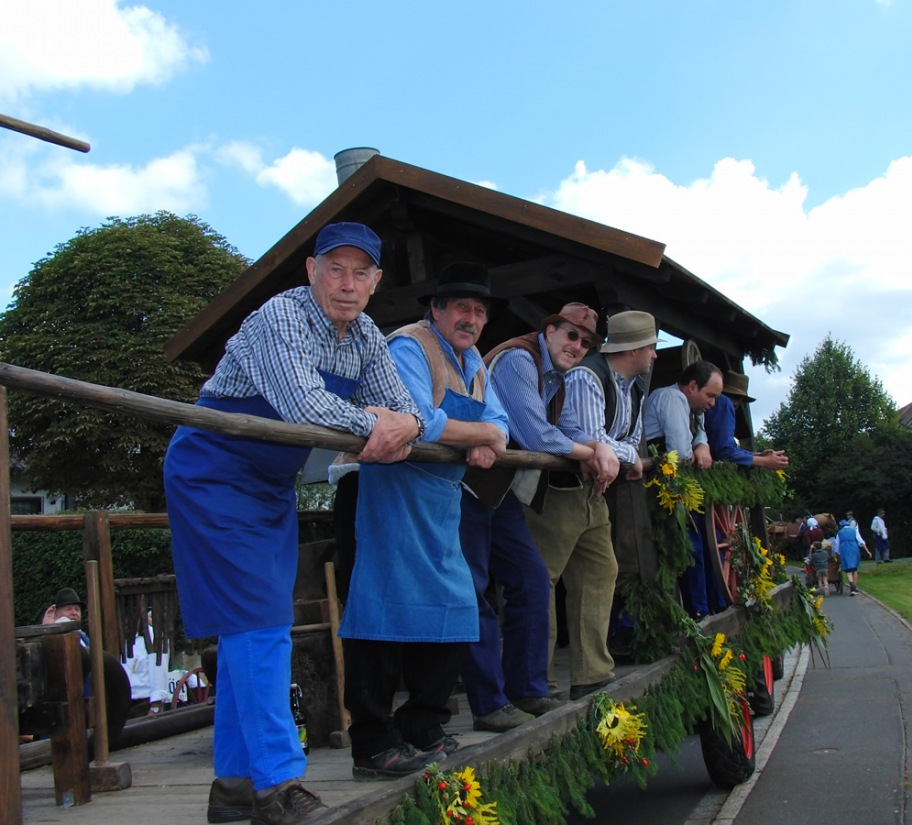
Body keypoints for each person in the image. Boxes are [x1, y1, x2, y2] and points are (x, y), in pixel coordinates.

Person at [163, 222, 423, 824]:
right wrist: (377, 424)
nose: (347, 283)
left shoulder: (366, 337)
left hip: (269, 486)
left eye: (361, 272)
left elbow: (408, 408)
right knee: (261, 623)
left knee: (247, 627)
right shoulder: (280, 317)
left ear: (376, 281)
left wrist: (404, 424)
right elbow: (303, 406)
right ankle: (278, 786)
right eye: (336, 268)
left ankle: (231, 788)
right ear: (312, 271)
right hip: (213, 472)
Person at [338, 261, 510, 777]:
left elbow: (500, 424)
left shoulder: (476, 362)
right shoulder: (408, 346)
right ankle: (371, 743)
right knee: (379, 615)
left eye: (479, 312)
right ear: (436, 311)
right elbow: (420, 419)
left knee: (457, 606)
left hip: (437, 501)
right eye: (461, 308)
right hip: (382, 492)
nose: (471, 319)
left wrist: (483, 435)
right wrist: (478, 436)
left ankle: (421, 725)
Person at [472, 302, 618, 701]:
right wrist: (592, 454)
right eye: (571, 335)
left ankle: (531, 690)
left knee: (529, 580)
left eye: (585, 342)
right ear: (550, 329)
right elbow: (537, 436)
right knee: (478, 591)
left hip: (495, 490)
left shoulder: (558, 375)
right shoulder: (519, 359)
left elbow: (565, 427)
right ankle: (500, 697)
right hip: (465, 485)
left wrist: (596, 445)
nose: (577, 345)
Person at [557, 310, 659, 670]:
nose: (655, 355)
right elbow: (590, 436)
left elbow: (628, 440)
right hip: (559, 490)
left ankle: (592, 672)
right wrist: (627, 455)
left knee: (601, 573)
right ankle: (540, 682)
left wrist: (623, 453)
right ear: (634, 350)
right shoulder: (588, 376)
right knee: (543, 581)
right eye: (651, 347)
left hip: (595, 491)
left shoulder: (634, 388)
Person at [644, 360, 725, 618]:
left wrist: (703, 445)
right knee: (689, 547)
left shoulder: (692, 407)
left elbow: (699, 433)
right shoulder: (672, 398)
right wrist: (695, 448)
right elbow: (679, 449)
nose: (712, 403)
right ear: (692, 386)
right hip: (663, 487)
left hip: (677, 484)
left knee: (698, 543)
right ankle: (697, 610)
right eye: (709, 395)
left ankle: (707, 604)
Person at [40, 587, 132, 749]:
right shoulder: (50, 637)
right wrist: (47, 629)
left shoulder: (84, 638)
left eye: (77, 609)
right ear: (55, 613)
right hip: (59, 705)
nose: (74, 613)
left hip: (85, 699)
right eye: (68, 609)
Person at [702, 371, 789, 470]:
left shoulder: (718, 403)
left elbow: (720, 447)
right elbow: (724, 451)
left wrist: (758, 455)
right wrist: (766, 461)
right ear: (740, 399)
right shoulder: (724, 403)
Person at [834, 518, 871, 595]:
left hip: (844, 549)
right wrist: (867, 551)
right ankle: (854, 587)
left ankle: (852, 587)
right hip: (854, 548)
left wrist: (837, 554)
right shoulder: (854, 531)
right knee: (854, 569)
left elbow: (837, 545)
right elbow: (861, 541)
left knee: (848, 570)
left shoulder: (839, 533)